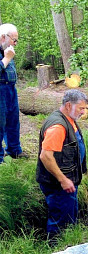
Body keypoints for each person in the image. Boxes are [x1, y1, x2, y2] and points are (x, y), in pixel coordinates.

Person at [36, 89, 88, 244]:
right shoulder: (58, 126)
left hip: (69, 181)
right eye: (80, 108)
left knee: (69, 216)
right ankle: (55, 246)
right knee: (59, 221)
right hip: (59, 185)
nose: (83, 112)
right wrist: (63, 180)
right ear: (67, 106)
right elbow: (45, 156)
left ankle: (70, 243)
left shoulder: (69, 118)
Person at [0, 23, 27, 163]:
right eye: (14, 40)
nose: (15, 43)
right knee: (0, 122)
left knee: (13, 120)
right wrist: (6, 59)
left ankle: (15, 150)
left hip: (11, 89)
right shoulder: (6, 53)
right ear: (3, 37)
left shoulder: (7, 49)